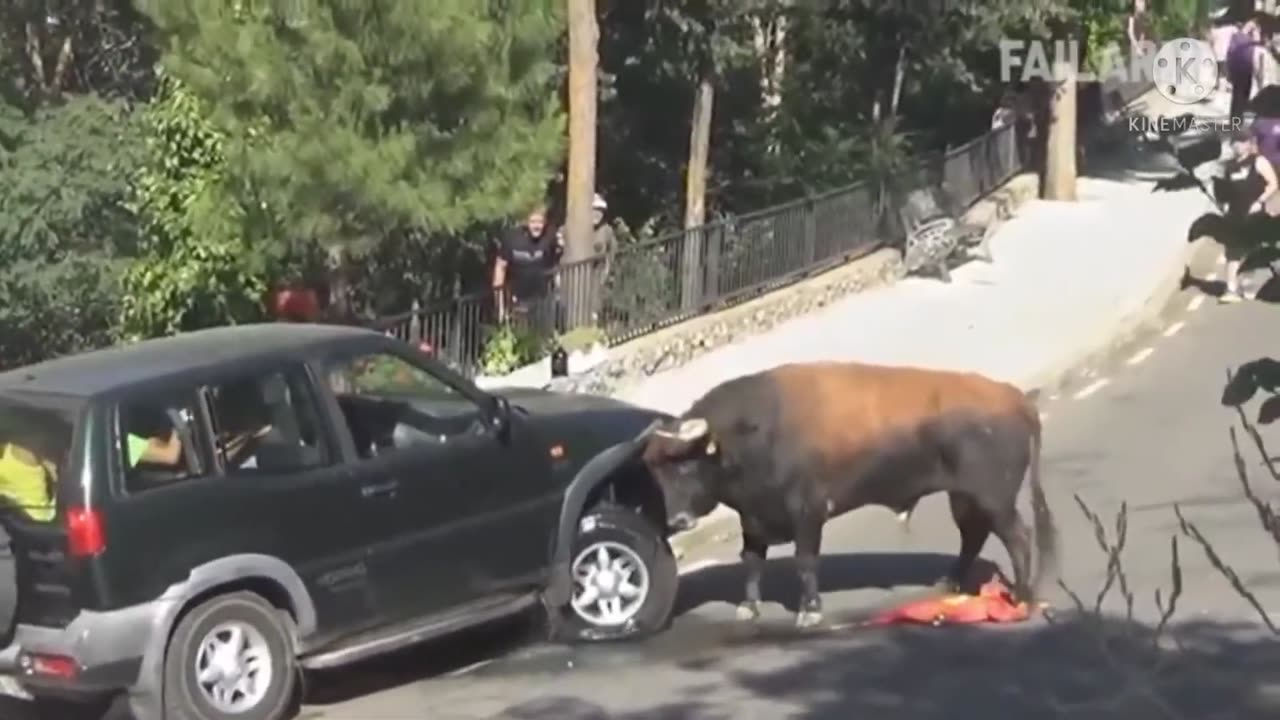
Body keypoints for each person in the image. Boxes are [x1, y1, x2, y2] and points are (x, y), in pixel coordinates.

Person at [1218, 126, 1279, 303]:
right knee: (1233, 252)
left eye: (1241, 142)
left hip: (1256, 214)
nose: (1237, 145)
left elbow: (1273, 183)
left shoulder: (1258, 161)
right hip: (1236, 215)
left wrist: (1260, 201)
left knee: (1261, 250)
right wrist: (1223, 205)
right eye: (1234, 142)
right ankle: (1231, 289)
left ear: (1249, 144)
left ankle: (1253, 283)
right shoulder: (1229, 166)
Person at [491, 205, 563, 338]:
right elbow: (500, 267)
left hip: (542, 296)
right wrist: (499, 304)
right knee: (520, 335)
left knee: (543, 335)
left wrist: (558, 288)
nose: (537, 226)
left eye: (540, 222)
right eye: (533, 222)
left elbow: (555, 263)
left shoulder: (550, 237)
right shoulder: (512, 239)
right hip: (517, 297)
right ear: (526, 223)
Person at [1226, 19, 1265, 124]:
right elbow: (1230, 54)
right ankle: (1236, 122)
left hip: (1244, 70)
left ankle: (1236, 121)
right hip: (1241, 71)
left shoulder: (1242, 38)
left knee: (1239, 98)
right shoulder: (1242, 38)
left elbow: (1229, 53)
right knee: (1240, 98)